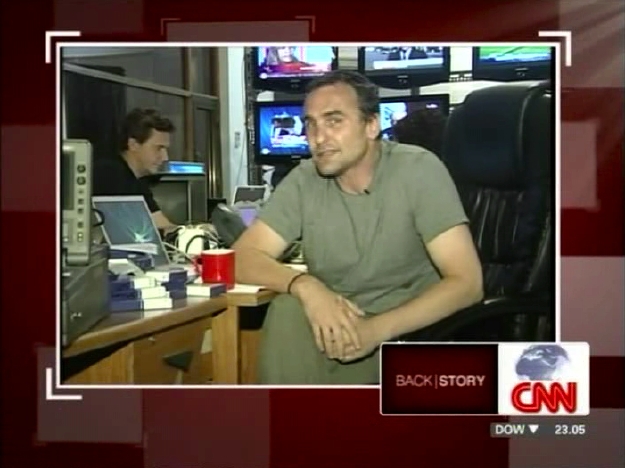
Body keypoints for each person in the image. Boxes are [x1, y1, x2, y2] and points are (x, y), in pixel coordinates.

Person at [233, 70, 483, 385]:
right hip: (336, 325)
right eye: (310, 124)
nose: (318, 138)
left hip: (409, 332)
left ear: (371, 125)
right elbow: (241, 257)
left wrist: (375, 331)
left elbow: (468, 283)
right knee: (286, 308)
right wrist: (306, 287)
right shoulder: (304, 180)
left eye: (334, 121)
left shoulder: (418, 170)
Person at [93, 108, 176, 231]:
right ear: (133, 145)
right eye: (158, 148)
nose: (165, 157)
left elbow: (163, 225)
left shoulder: (139, 181)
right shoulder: (108, 174)